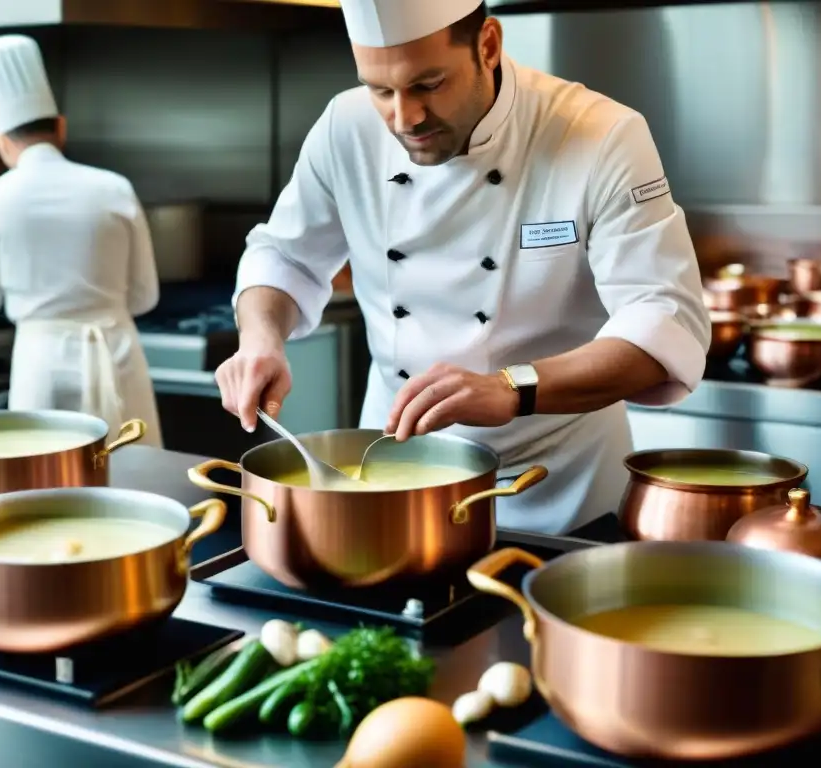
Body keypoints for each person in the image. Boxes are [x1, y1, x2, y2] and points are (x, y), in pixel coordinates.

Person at [215, 0, 710, 533]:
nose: (404, 118)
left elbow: (666, 322)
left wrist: (511, 387)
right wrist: (261, 338)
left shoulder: (600, 135)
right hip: (392, 488)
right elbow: (284, 254)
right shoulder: (346, 125)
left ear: (489, 46)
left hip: (560, 493)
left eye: (428, 84)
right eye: (380, 90)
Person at [0, 34, 163, 447]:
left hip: (40, 362)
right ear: (60, 127)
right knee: (136, 474)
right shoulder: (114, 187)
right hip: (117, 352)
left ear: (1, 142)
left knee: (47, 481)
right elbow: (144, 296)